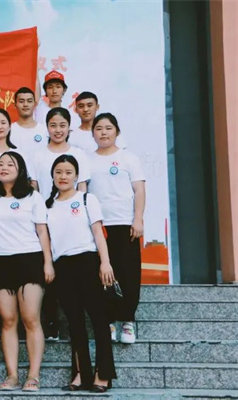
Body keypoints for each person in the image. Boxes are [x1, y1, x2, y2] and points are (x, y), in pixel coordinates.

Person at [0, 152, 54, 392]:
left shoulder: (33, 197)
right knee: (8, 320)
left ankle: (33, 375)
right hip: (1, 262)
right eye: (0, 164)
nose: (3, 167)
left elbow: (42, 232)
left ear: (20, 170)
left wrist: (48, 262)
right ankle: (12, 375)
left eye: (10, 164)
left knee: (30, 318)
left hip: (30, 259)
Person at [45, 154, 117, 393]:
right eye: (58, 172)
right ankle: (80, 374)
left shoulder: (87, 199)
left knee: (99, 320)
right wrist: (49, 264)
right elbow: (47, 241)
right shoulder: (48, 206)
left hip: (87, 262)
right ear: (52, 176)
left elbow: (98, 234)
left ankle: (103, 375)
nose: (63, 177)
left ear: (76, 176)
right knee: (74, 322)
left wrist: (105, 263)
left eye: (68, 172)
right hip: (62, 266)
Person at [87, 113, 146, 344]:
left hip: (124, 224)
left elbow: (139, 190)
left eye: (108, 128)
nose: (103, 132)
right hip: (99, 226)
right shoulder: (87, 160)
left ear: (117, 132)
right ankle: (109, 321)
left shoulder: (128, 158)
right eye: (99, 128)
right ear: (93, 133)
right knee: (102, 275)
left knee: (128, 273)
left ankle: (127, 320)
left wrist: (138, 219)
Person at [34, 107, 91, 341]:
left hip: (73, 221)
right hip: (46, 217)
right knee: (48, 270)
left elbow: (82, 187)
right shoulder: (37, 155)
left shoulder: (79, 154)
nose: (58, 130)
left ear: (69, 128)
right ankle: (51, 322)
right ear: (46, 128)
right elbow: (34, 188)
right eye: (53, 125)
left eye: (62, 125)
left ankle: (76, 324)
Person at [10, 87, 48, 154]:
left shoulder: (45, 130)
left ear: (35, 104)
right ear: (15, 105)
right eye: (21, 101)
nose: (25, 105)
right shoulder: (9, 131)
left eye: (29, 101)